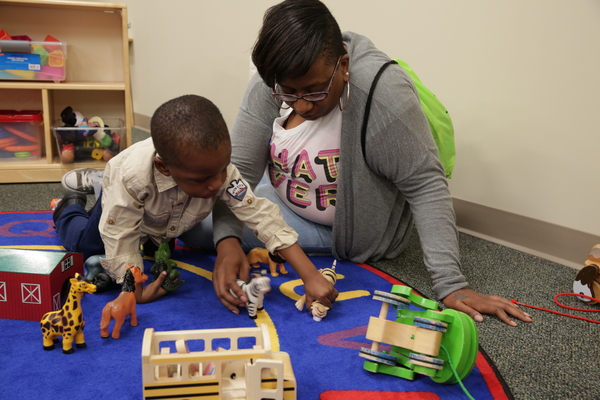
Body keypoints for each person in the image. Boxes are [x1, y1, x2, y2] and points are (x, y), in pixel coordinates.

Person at [182, 0, 531, 326]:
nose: (301, 105)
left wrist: (452, 285)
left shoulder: (384, 95)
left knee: (198, 228)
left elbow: (426, 185)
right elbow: (238, 171)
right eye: (289, 93)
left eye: (315, 91)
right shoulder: (273, 76)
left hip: (345, 229)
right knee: (190, 215)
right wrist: (227, 242)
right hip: (281, 194)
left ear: (343, 66)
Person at [52, 94, 338, 308]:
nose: (216, 184)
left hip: (168, 219)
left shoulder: (217, 170)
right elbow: (120, 235)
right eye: (202, 180)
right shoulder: (133, 177)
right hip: (123, 205)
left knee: (162, 250)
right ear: (165, 167)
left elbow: (261, 215)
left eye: (222, 169)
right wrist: (132, 289)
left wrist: (310, 275)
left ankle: (144, 228)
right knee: (84, 246)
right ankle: (69, 207)